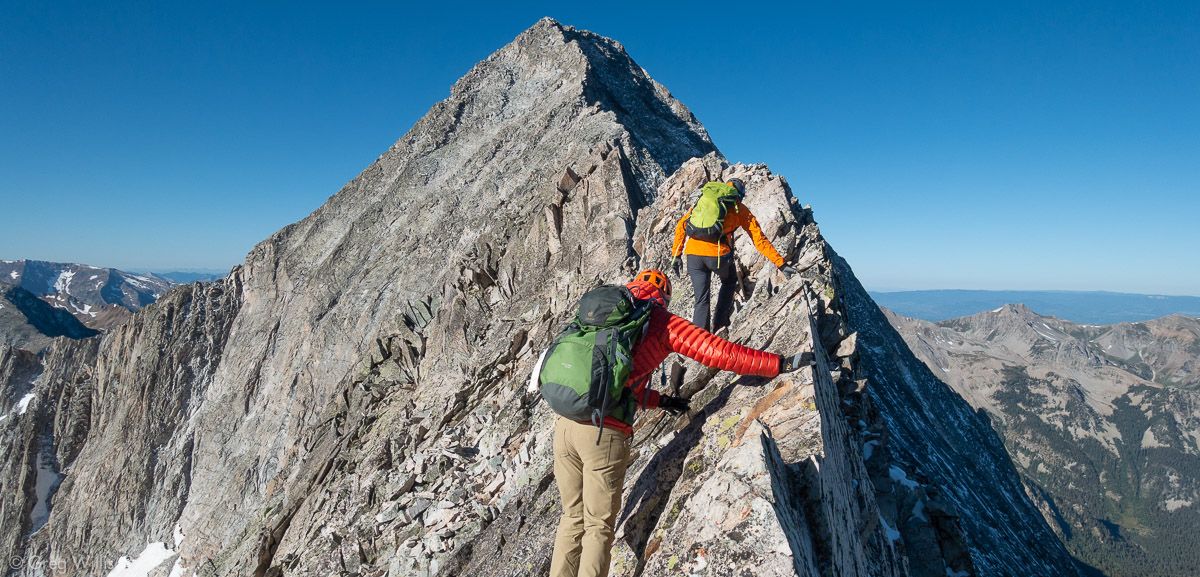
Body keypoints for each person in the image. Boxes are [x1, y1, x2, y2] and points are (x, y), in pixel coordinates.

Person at [548, 269, 811, 577]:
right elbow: (716, 351)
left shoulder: (600, 318)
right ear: (663, 298)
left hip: (565, 422)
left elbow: (615, 383)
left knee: (572, 518)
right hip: (602, 436)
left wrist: (659, 400)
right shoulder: (660, 322)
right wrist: (776, 364)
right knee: (598, 527)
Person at [670, 178, 799, 333]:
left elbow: (681, 226)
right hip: (717, 256)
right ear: (740, 194)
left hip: (693, 256)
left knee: (701, 300)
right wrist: (781, 264)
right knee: (730, 281)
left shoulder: (705, 201)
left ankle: (700, 342)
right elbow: (759, 240)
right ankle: (719, 328)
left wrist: (676, 255)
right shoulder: (740, 208)